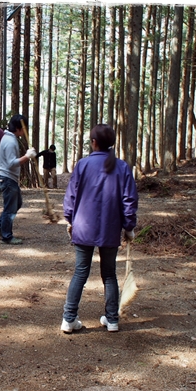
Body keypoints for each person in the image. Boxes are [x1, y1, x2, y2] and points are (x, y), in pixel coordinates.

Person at [61, 124, 138, 333]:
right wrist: (129, 227)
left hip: (83, 228)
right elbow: (129, 200)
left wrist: (69, 219)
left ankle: (69, 319)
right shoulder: (122, 167)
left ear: (94, 143)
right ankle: (112, 319)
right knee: (109, 274)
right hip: (110, 228)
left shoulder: (84, 164)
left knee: (80, 272)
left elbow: (71, 196)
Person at [0, 114, 36, 245]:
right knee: (10, 207)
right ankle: (7, 236)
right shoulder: (9, 141)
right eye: (24, 128)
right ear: (18, 128)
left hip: (8, 178)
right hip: (7, 177)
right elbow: (11, 163)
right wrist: (27, 156)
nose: (25, 131)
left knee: (17, 203)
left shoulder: (10, 138)